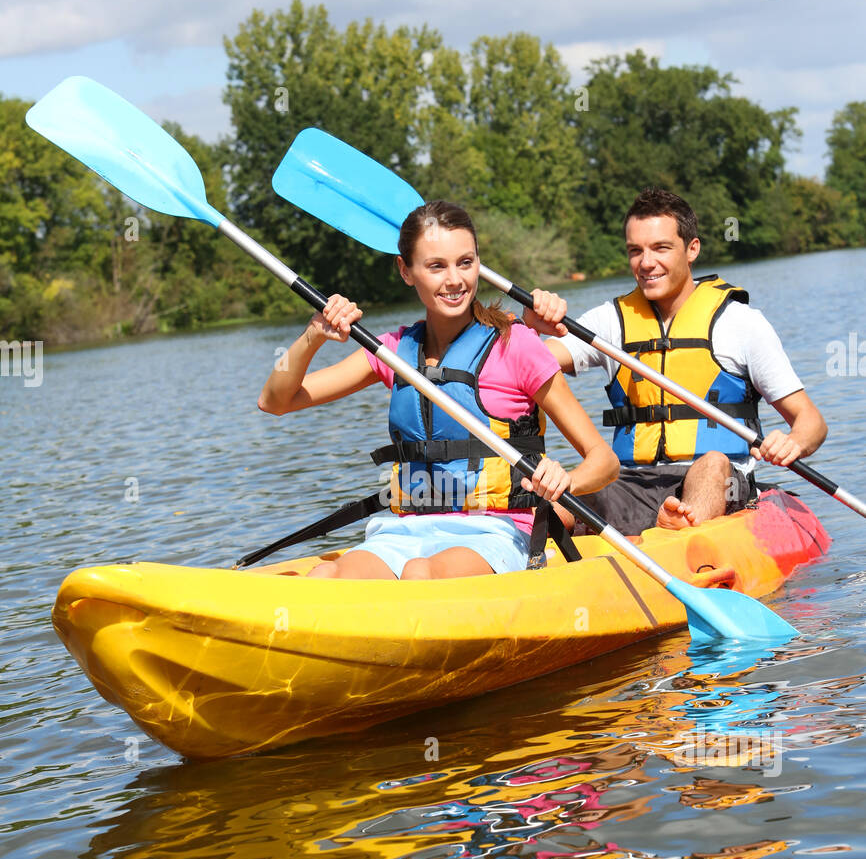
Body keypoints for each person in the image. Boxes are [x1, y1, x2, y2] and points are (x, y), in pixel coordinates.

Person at [257, 200, 619, 579]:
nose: (455, 280)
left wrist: (567, 481)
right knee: (324, 580)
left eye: (465, 262)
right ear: (406, 270)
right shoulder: (393, 351)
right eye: (436, 266)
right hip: (403, 531)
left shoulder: (516, 345)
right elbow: (274, 400)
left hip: (494, 532)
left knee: (419, 574)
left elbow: (604, 462)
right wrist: (311, 336)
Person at [524, 187, 827, 534]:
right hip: (630, 484)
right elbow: (531, 364)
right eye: (635, 251)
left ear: (692, 249)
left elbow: (811, 422)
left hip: (718, 480)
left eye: (661, 248)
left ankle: (681, 532)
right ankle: (539, 553)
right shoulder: (609, 321)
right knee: (555, 502)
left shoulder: (740, 323)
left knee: (712, 462)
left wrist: (792, 442)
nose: (646, 262)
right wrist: (529, 325)